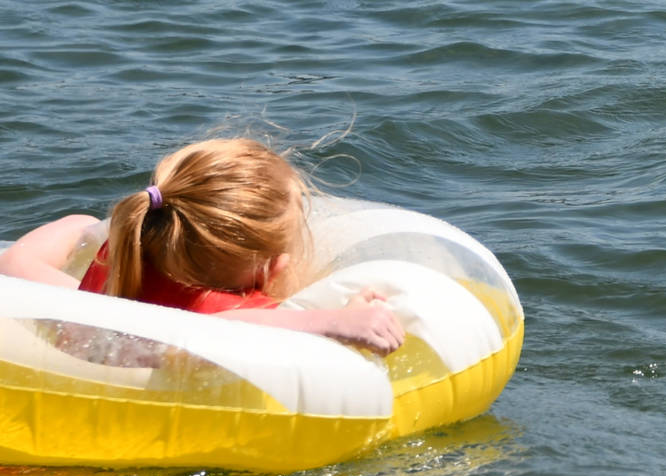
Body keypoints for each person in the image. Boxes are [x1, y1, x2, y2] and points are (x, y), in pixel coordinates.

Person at [0, 136, 405, 354]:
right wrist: (339, 322)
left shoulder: (124, 255)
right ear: (272, 265)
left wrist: (83, 227)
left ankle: (78, 223)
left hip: (85, 339)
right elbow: (223, 328)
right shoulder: (225, 312)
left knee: (58, 238)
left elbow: (16, 260)